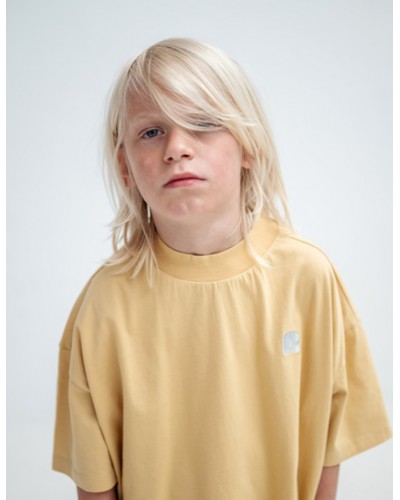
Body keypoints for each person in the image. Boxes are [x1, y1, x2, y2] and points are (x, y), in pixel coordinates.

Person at [52, 38, 391, 500]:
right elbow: (95, 480)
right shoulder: (104, 306)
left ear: (248, 145)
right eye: (151, 132)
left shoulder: (309, 278)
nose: (177, 148)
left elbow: (326, 451)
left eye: (203, 123)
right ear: (125, 166)